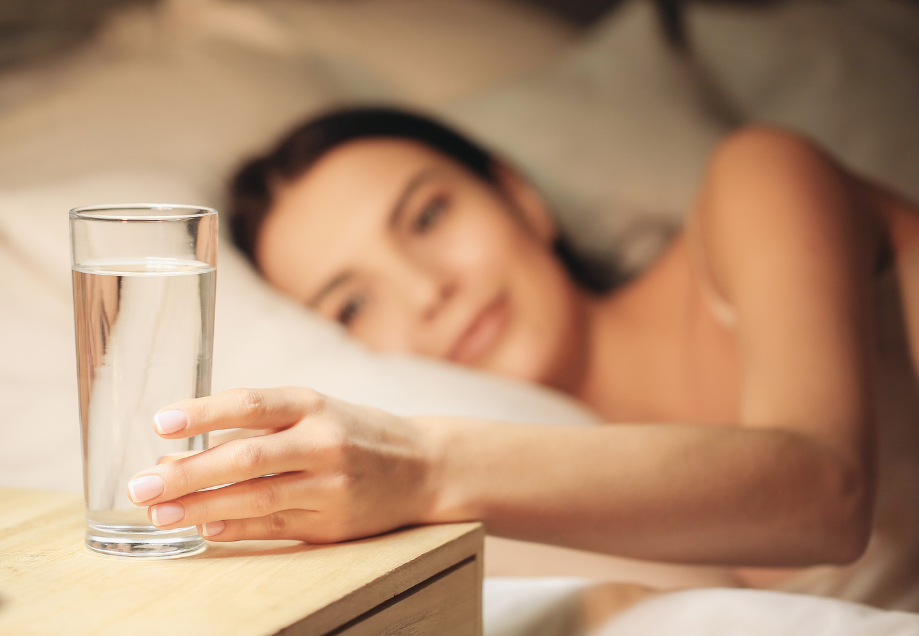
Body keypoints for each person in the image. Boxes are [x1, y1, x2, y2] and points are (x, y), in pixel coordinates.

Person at [127, 107, 919, 608]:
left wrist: (424, 467)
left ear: (520, 197)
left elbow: (825, 491)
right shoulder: (556, 519)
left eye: (428, 216)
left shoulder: (758, 180)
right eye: (354, 304)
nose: (427, 289)